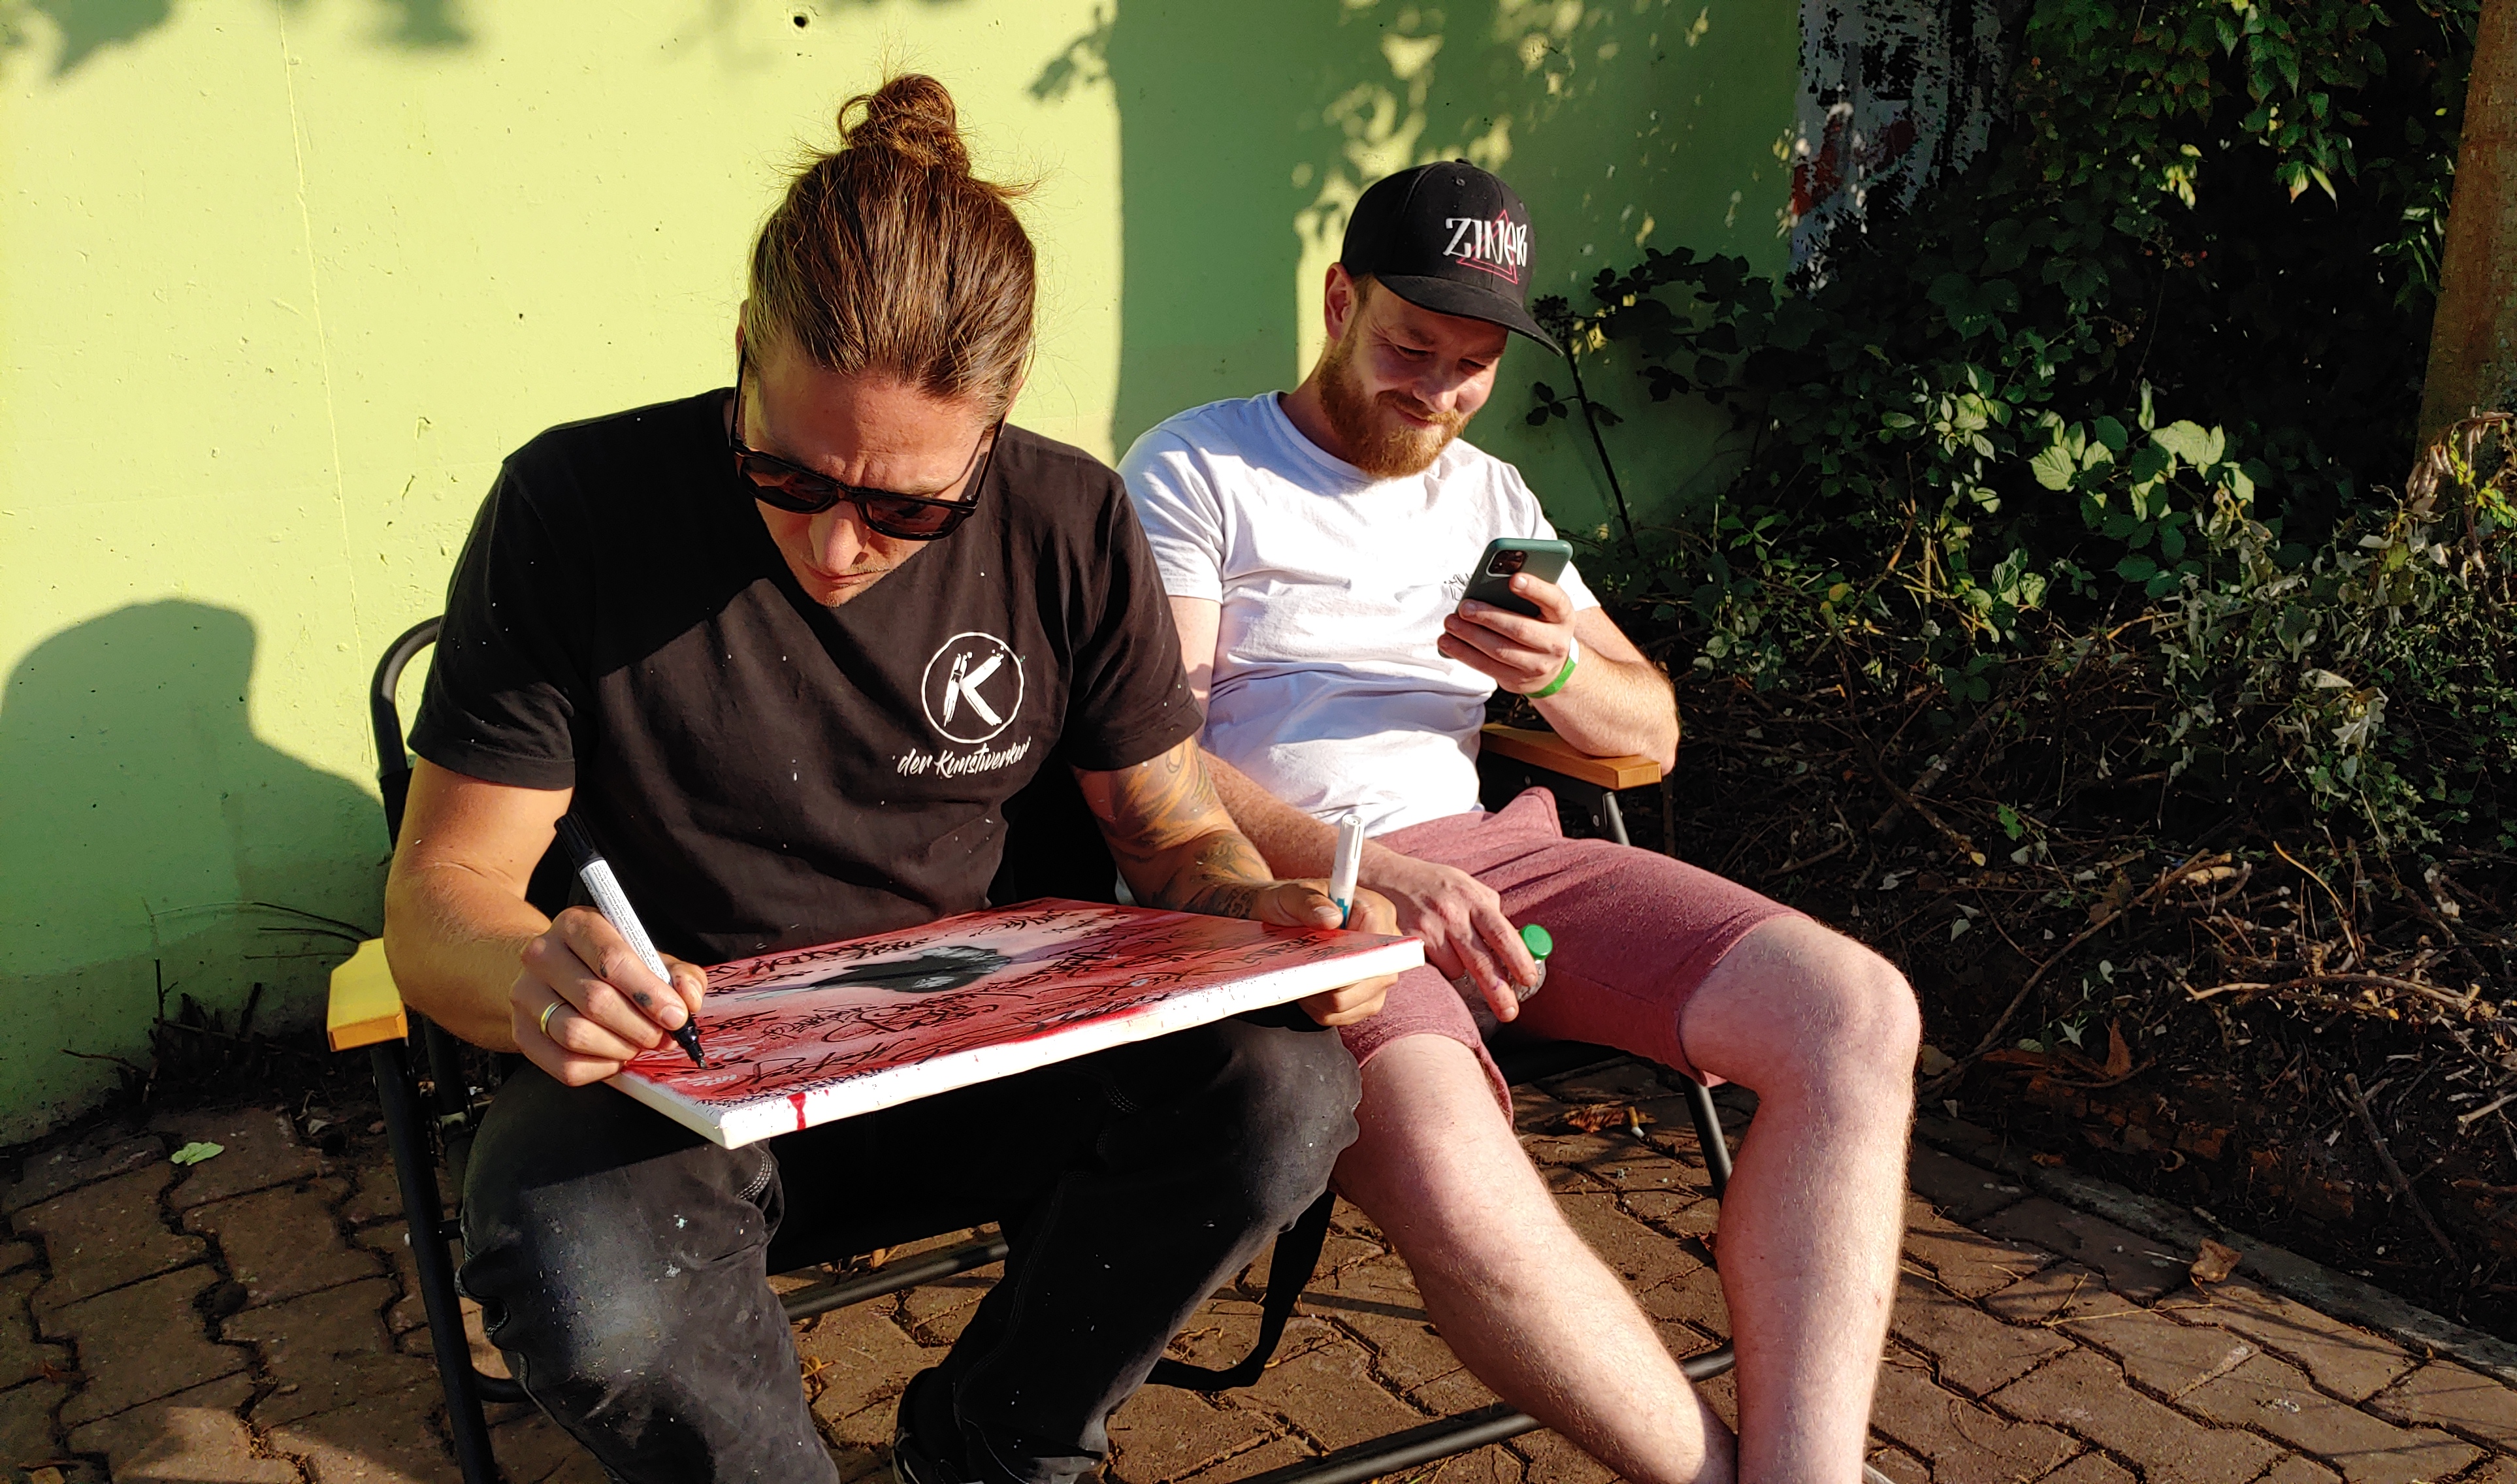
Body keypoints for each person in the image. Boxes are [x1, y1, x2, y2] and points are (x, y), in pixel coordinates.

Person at [383, 77, 1394, 1484]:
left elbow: (1171, 834)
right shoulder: (578, 510)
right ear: (744, 351)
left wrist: (1263, 915)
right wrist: (535, 972)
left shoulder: (1067, 517)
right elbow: (441, 897)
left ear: (999, 421)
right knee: (588, 1279)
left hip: (994, 1052)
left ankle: (994, 1440)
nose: (839, 548)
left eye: (911, 506)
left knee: (1282, 1089)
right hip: (683, 1077)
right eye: (789, 477)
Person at [1120, 162, 1921, 1484]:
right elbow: (1162, 759)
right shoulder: (1199, 469)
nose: (1438, 392)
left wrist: (1554, 675)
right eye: (1411, 349)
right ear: (1339, 303)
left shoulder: (1493, 499)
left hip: (1493, 856)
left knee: (1856, 1012)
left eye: (1474, 366)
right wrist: (1376, 868)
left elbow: (1648, 734)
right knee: (1453, 1160)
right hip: (1293, 895)